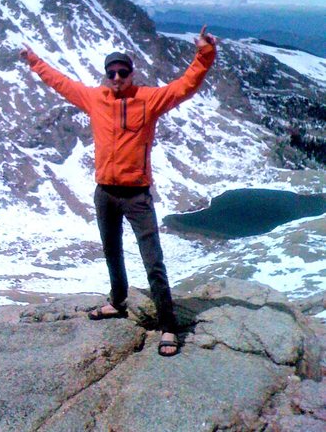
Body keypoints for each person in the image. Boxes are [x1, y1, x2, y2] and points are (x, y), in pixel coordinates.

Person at [20, 25, 216, 356]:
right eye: (111, 72)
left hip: (137, 195)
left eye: (122, 72)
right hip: (104, 193)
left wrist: (205, 53)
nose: (116, 78)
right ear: (105, 74)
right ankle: (118, 300)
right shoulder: (95, 98)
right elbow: (61, 84)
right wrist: (34, 61)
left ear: (131, 73)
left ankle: (169, 326)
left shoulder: (148, 99)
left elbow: (185, 86)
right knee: (111, 250)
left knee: (152, 261)